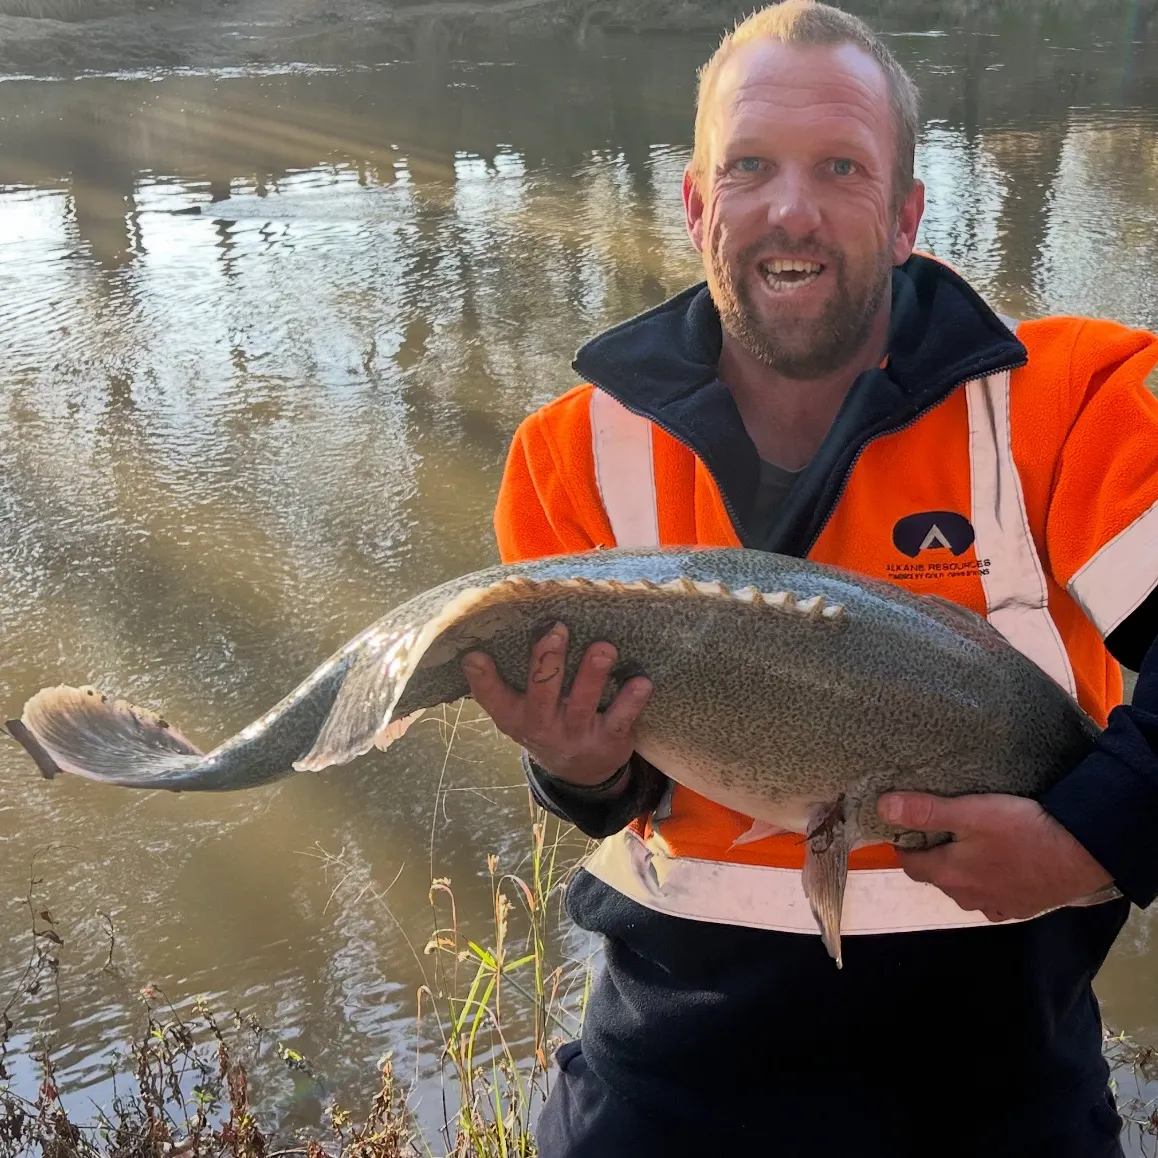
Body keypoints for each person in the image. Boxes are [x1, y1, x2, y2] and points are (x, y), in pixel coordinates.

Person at [460, 3, 1158, 1154]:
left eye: (841, 167)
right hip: (664, 1095)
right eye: (748, 168)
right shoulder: (569, 455)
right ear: (695, 206)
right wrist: (574, 771)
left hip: (1000, 1094)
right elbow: (615, 790)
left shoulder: (1069, 406)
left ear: (904, 217)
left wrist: (1096, 834)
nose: (790, 210)